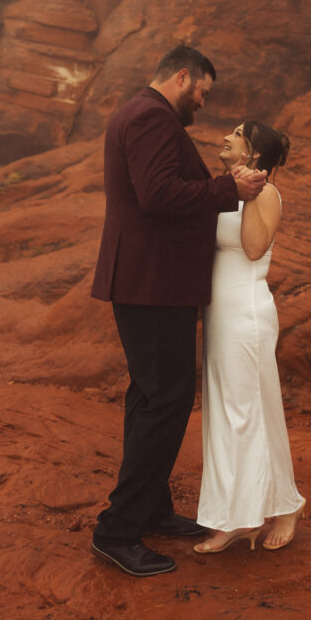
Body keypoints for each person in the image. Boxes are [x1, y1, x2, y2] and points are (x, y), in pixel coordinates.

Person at [90, 46, 267, 577]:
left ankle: (150, 509)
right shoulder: (150, 117)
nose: (202, 104)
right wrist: (228, 189)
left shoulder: (140, 113)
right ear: (184, 76)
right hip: (152, 283)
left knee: (151, 395)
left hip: (149, 281)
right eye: (203, 93)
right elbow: (158, 193)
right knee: (166, 398)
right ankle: (117, 531)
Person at [194, 120, 305, 554]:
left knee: (251, 412)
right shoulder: (225, 188)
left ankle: (286, 504)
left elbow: (255, 248)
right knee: (224, 415)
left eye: (237, 133)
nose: (226, 136)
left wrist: (252, 191)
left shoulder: (269, 193)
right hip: (219, 313)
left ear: (253, 153)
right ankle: (235, 518)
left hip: (247, 315)